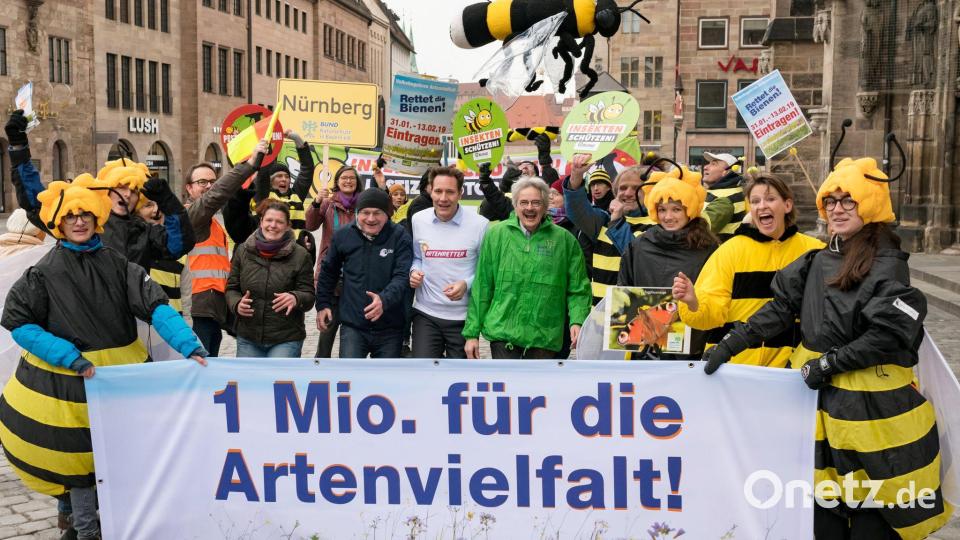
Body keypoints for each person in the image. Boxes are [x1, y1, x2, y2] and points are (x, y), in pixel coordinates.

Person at [701, 158, 951, 538]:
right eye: (830, 201)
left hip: (873, 417)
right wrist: (732, 343)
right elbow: (781, 309)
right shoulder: (818, 259)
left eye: (847, 200)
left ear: (870, 204)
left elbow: (888, 332)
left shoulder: (887, 264)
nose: (836, 209)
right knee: (822, 512)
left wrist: (831, 363)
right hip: (820, 412)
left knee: (875, 518)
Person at [0, 178, 206, 540]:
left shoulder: (119, 265)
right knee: (79, 460)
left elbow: (156, 306)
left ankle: (80, 520)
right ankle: (85, 530)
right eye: (70, 217)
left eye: (84, 215)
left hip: (119, 382)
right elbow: (18, 321)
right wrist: (69, 356)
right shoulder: (43, 272)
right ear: (59, 223)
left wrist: (189, 345)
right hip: (65, 386)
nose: (78, 222)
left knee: (113, 458)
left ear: (96, 220)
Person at [5, 110, 195, 273]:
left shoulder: (143, 232)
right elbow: (35, 203)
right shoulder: (83, 222)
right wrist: (19, 146)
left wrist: (169, 203)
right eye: (120, 187)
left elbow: (178, 245)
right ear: (106, 190)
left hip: (127, 313)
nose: (127, 194)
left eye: (133, 190)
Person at [672, 174, 824, 368]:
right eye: (755, 201)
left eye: (770, 199)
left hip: (793, 372)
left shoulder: (814, 251)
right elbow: (711, 316)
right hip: (735, 367)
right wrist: (693, 302)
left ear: (787, 205)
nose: (762, 206)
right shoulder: (730, 251)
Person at [464, 177, 591, 359]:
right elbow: (482, 287)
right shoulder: (496, 236)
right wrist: (472, 333)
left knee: (539, 389)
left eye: (536, 202)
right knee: (507, 387)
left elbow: (578, 289)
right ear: (515, 205)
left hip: (545, 336)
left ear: (546, 206)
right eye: (523, 202)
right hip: (503, 333)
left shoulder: (565, 240)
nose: (529, 208)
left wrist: (578, 321)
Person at [617, 167, 718, 359]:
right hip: (643, 351)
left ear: (689, 210)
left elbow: (715, 301)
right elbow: (624, 292)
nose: (668, 217)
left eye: (676, 209)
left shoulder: (708, 249)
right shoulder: (638, 247)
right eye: (662, 210)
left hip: (691, 353)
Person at [183, 142, 268, 355]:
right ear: (189, 188)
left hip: (214, 306)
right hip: (197, 308)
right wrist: (248, 165)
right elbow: (216, 196)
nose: (209, 186)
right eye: (202, 181)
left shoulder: (213, 222)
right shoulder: (190, 216)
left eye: (213, 181)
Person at [316, 189, 412, 358]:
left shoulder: (400, 236)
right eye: (365, 212)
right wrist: (323, 304)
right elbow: (328, 272)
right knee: (350, 380)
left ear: (387, 214)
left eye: (377, 213)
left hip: (390, 327)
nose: (371, 218)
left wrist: (384, 299)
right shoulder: (344, 235)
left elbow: (402, 276)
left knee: (386, 382)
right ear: (357, 213)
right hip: (353, 326)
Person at [409, 167, 488, 358]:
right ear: (430, 191)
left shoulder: (480, 224)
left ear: (460, 193)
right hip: (426, 313)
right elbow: (418, 257)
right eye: (438, 191)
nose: (443, 198)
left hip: (463, 318)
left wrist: (466, 284)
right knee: (424, 373)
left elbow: (486, 271)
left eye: (450, 192)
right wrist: (414, 271)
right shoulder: (418, 219)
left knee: (460, 378)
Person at [226, 199, 314, 357]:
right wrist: (237, 303)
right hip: (248, 336)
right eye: (269, 220)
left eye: (279, 222)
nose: (273, 225)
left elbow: (308, 295)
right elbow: (231, 288)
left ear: (288, 225)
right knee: (249, 382)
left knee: (279, 382)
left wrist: (296, 298)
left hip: (286, 338)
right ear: (261, 222)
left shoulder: (301, 255)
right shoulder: (243, 250)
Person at [564, 153, 654, 305]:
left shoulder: (657, 225)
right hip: (600, 312)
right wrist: (576, 176)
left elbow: (636, 257)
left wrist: (617, 222)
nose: (628, 193)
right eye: (623, 188)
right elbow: (577, 210)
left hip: (634, 313)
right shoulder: (604, 220)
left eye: (636, 188)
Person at [305, 166, 361, 357]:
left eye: (352, 178)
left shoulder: (363, 206)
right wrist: (316, 202)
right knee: (327, 331)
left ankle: (347, 372)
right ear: (337, 181)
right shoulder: (328, 204)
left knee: (352, 336)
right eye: (344, 178)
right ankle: (322, 370)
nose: (348, 181)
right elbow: (310, 225)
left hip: (356, 276)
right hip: (332, 275)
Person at [253, 129, 315, 235]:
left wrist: (297, 139)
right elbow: (263, 174)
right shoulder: (264, 195)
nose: (284, 179)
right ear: (271, 180)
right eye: (279, 176)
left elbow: (307, 169)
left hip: (294, 249)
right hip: (269, 247)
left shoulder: (296, 194)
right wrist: (269, 141)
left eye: (287, 176)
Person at [700, 151, 746, 240]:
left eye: (714, 164)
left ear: (727, 172)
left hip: (720, 250)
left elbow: (700, 229)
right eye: (708, 164)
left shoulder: (725, 197)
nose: (705, 167)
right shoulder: (724, 191)